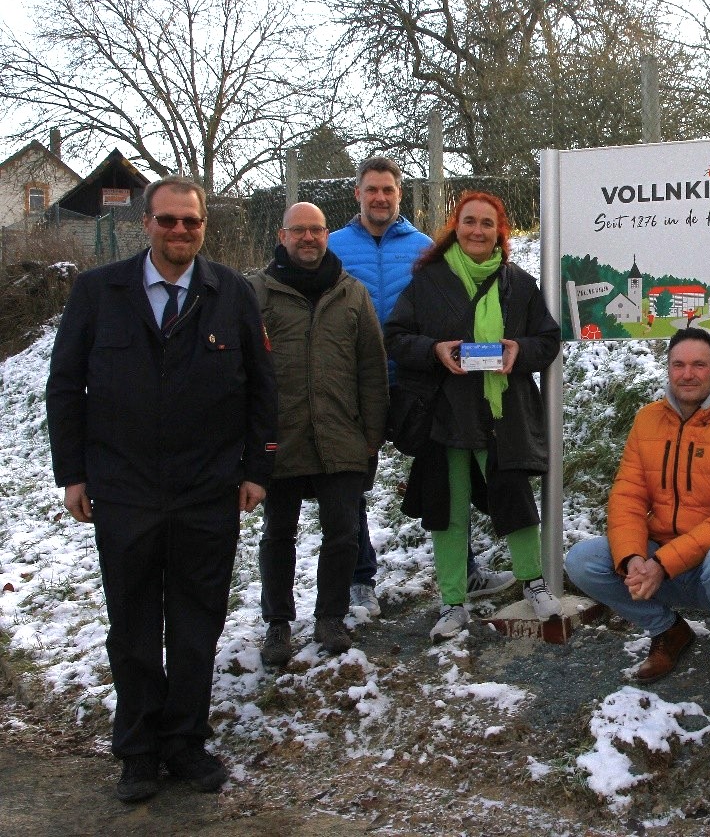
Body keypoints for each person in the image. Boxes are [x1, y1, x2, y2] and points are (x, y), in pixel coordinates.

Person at [46, 176, 276, 801]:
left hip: (208, 491)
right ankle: (139, 752)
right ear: (145, 223)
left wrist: (257, 468)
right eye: (168, 220)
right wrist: (72, 472)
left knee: (198, 626)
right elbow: (66, 384)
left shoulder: (231, 294)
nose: (180, 231)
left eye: (191, 222)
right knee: (135, 627)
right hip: (125, 490)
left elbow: (262, 389)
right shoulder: (99, 292)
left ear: (205, 226)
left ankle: (186, 742)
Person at [330, 157, 514, 620]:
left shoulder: (424, 248)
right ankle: (358, 579)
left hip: (422, 384)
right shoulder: (333, 247)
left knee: (448, 478)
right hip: (355, 386)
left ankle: (464, 569)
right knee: (350, 485)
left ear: (399, 194)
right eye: (372, 190)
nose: (380, 198)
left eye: (388, 190)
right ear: (357, 193)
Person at [384, 191, 561, 641]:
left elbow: (548, 339)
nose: (477, 231)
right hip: (444, 416)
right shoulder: (427, 281)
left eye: (487, 223)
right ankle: (453, 601)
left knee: (514, 498)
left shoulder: (517, 283)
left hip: (502, 415)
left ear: (499, 231)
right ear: (454, 227)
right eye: (469, 222)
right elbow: (397, 337)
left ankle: (533, 582)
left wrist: (519, 350)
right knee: (448, 510)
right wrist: (434, 350)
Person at [565, 328, 710, 697]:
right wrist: (632, 560)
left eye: (698, 365)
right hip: (662, 556)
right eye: (678, 364)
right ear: (668, 368)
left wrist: (662, 564)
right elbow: (627, 496)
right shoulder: (647, 420)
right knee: (582, 560)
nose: (687, 374)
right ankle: (668, 630)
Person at [248, 203, 389, 666]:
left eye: (316, 230)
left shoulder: (352, 294)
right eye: (299, 230)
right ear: (282, 235)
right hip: (279, 436)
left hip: (342, 434)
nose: (308, 238)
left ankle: (330, 616)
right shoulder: (257, 294)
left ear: (328, 235)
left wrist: (372, 434)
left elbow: (371, 368)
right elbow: (241, 372)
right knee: (277, 534)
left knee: (343, 532)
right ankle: (278, 624)